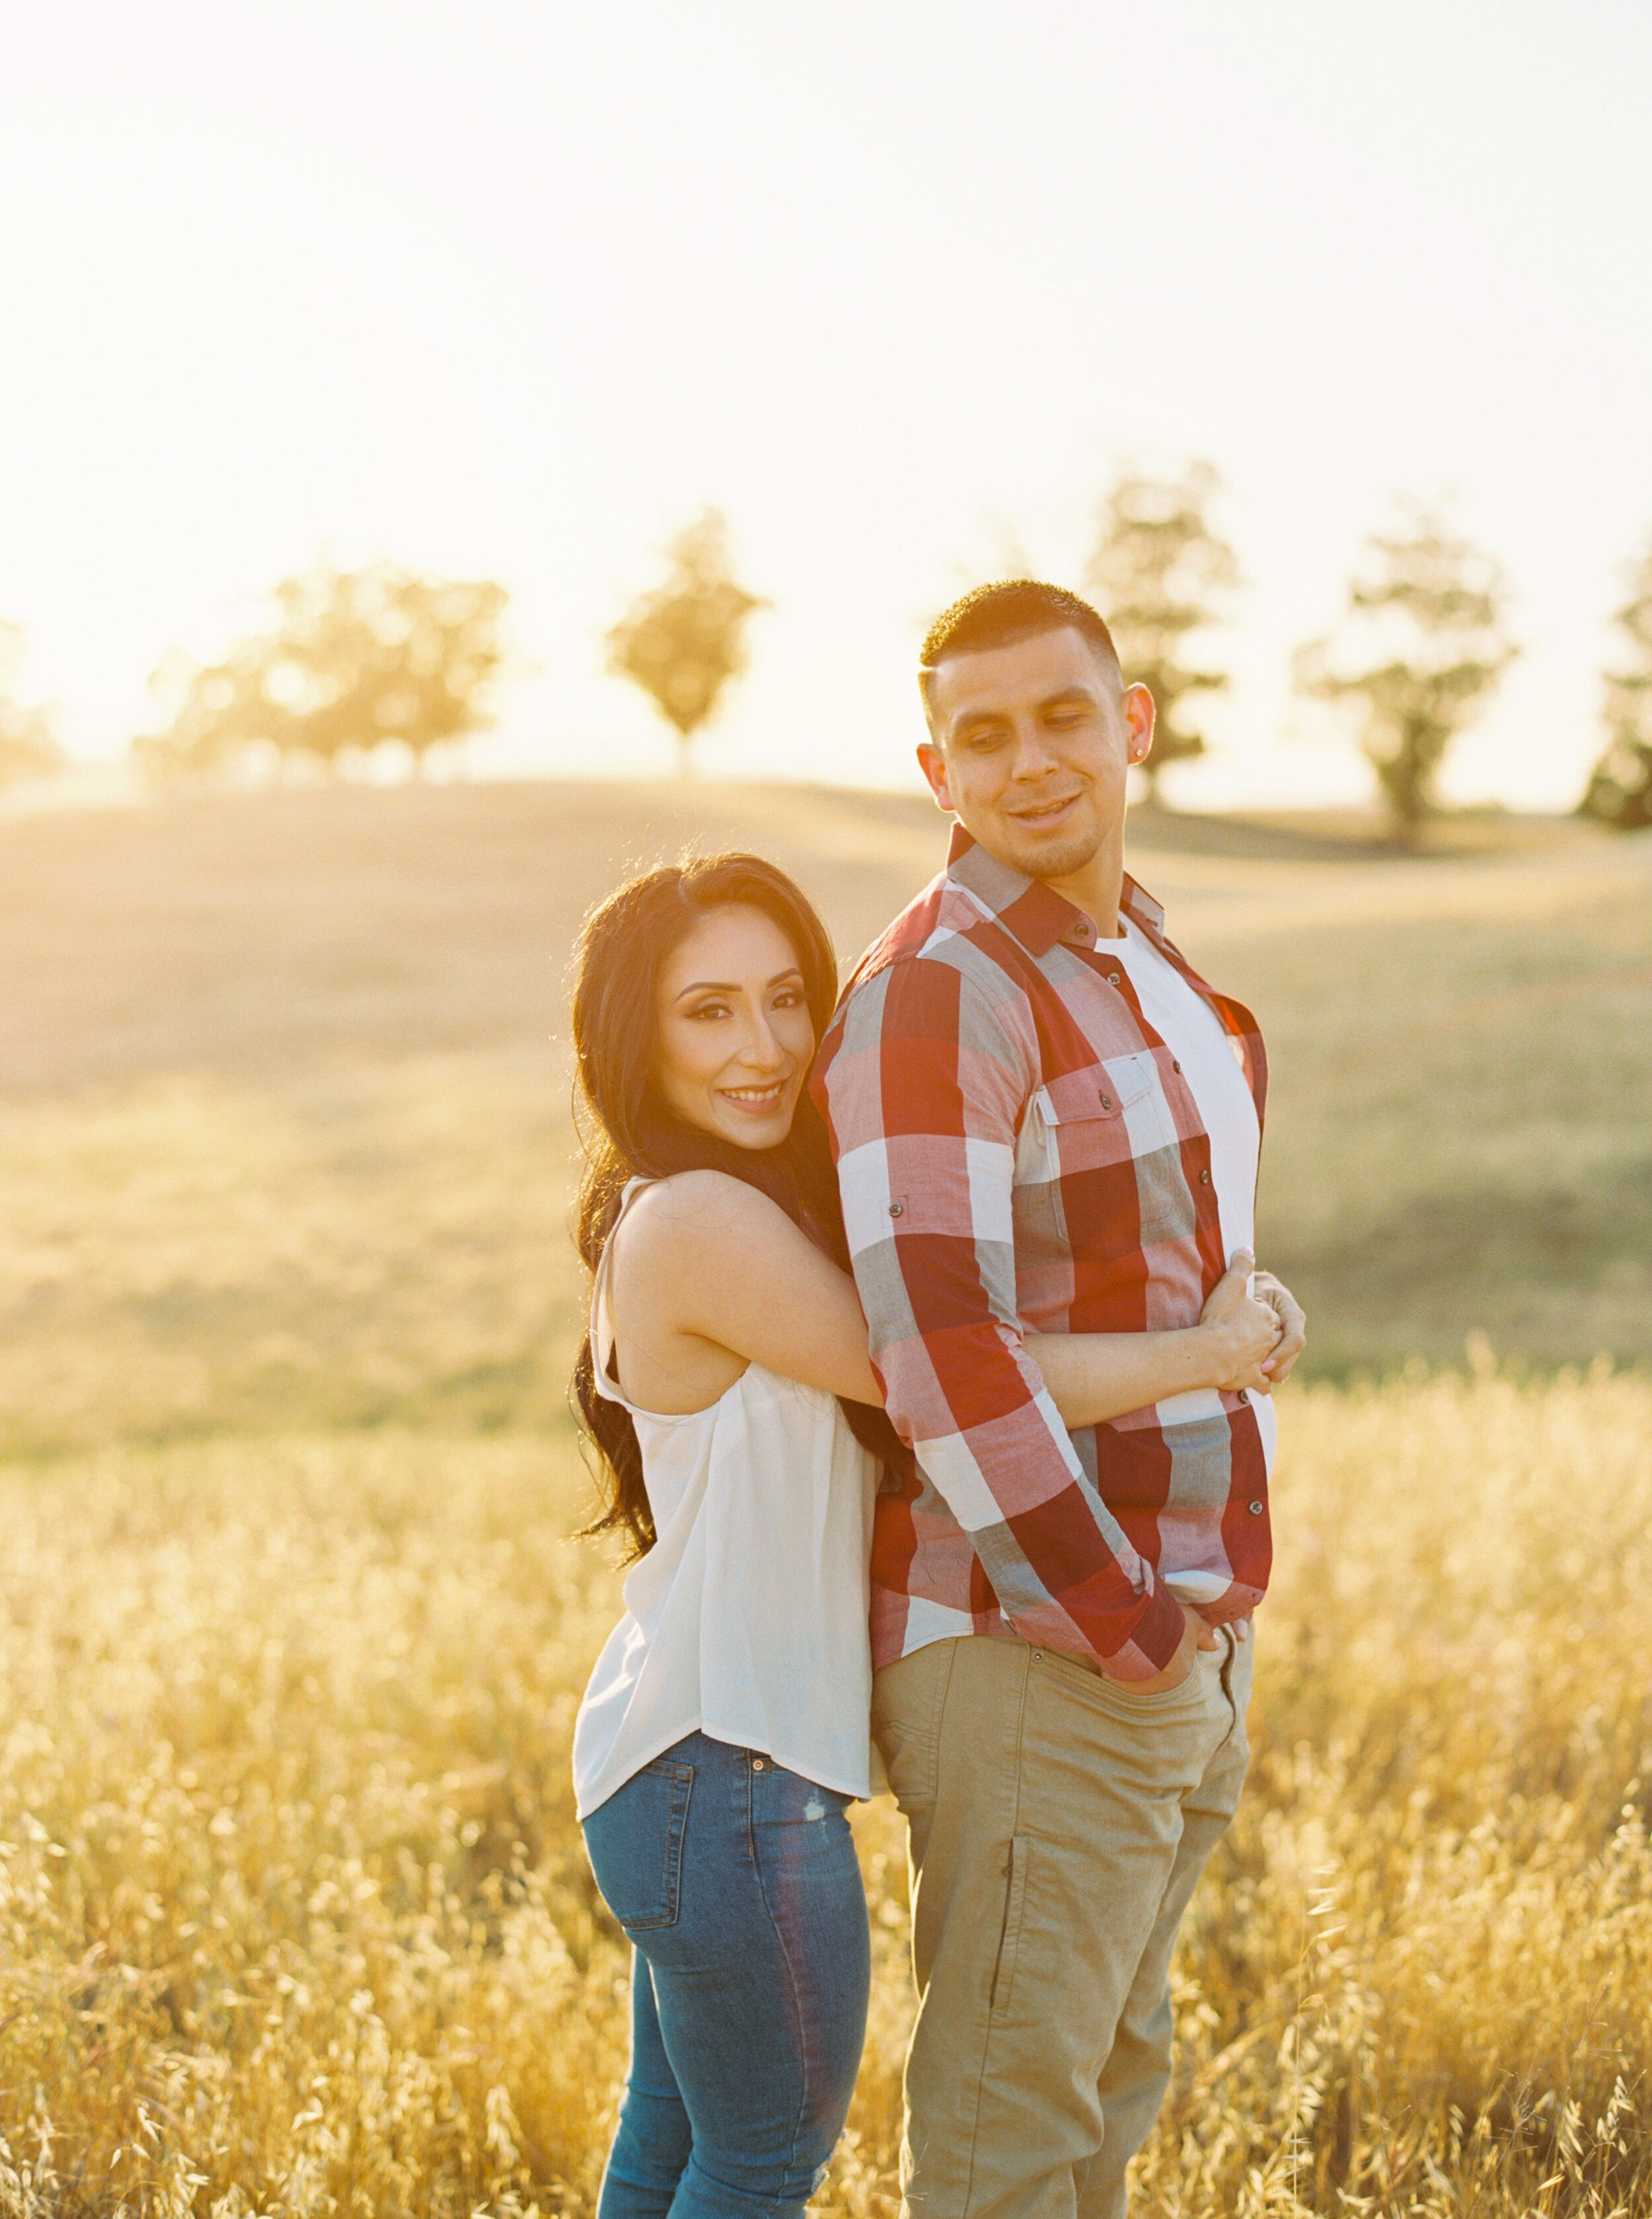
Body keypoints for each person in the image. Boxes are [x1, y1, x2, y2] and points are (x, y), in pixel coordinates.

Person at [568, 850, 1293, 2219]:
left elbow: (967, 1322)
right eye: (707, 1011)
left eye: (787, 999)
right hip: (724, 1771)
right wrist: (1204, 1348)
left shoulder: (740, 1209)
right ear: (633, 1036)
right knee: (757, 2162)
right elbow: (955, 1377)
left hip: (689, 1761)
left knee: (673, 2154)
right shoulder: (696, 1221)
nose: (766, 1046)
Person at [811, 579, 1308, 2219]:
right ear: (933, 769)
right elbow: (939, 1350)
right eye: (983, 733)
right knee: (1005, 2133)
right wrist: (1123, 1626)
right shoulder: (944, 983)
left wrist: (1244, 1326)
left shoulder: (1133, 957)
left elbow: (1151, 1270)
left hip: (1169, 1619)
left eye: (1062, 715)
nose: (1029, 760)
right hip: (1037, 1637)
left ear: (1132, 724)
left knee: (1106, 2087)